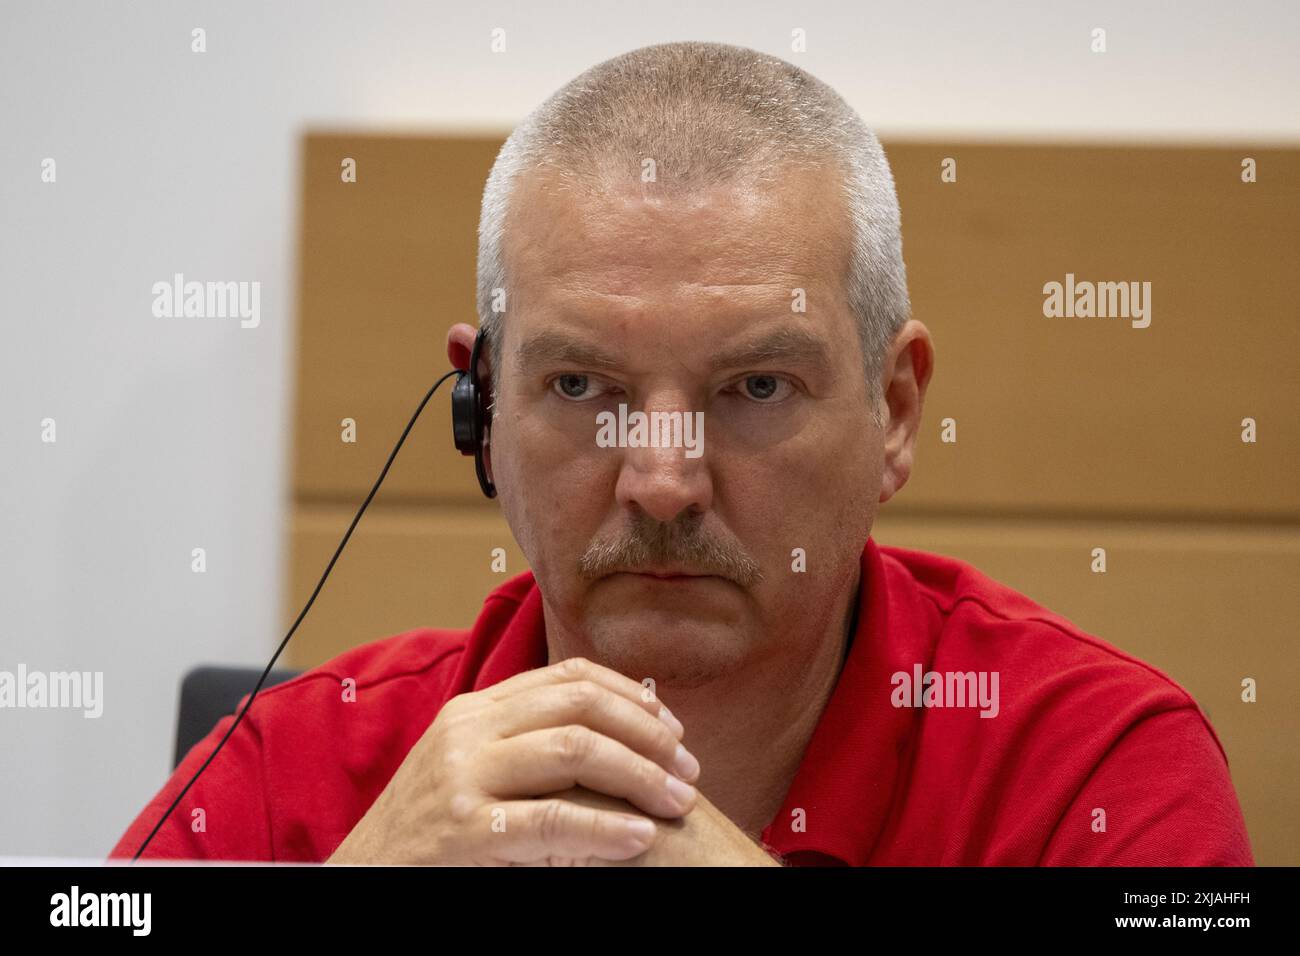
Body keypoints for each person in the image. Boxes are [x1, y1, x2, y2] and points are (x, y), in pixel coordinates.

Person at [109, 41, 1253, 866]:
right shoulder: (295, 761)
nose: (661, 479)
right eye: (580, 387)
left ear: (894, 411)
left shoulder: (1093, 768)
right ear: (484, 415)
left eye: (754, 387)